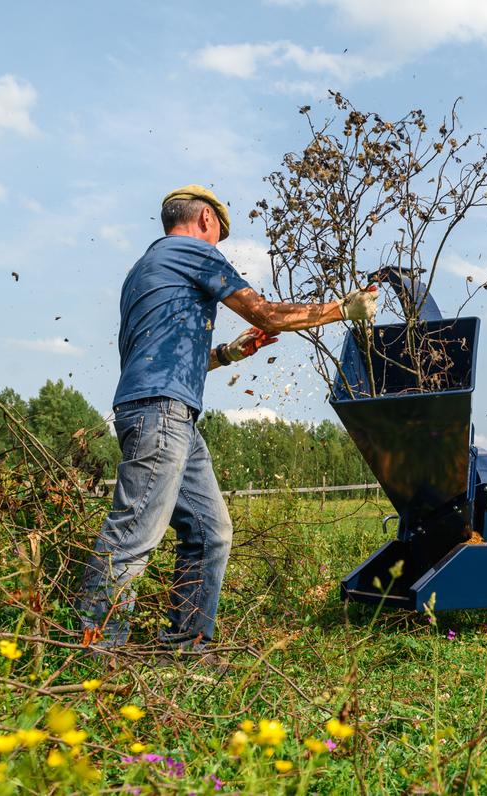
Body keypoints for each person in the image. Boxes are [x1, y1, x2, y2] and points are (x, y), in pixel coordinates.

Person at [76, 185, 376, 667]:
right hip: (162, 414)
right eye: (219, 235)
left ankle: (187, 649)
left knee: (210, 530)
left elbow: (162, 356)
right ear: (205, 222)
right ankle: (91, 656)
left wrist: (227, 354)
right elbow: (266, 313)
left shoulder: (144, 270)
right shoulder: (193, 252)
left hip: (166, 412)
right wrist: (344, 308)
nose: (218, 246)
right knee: (133, 534)